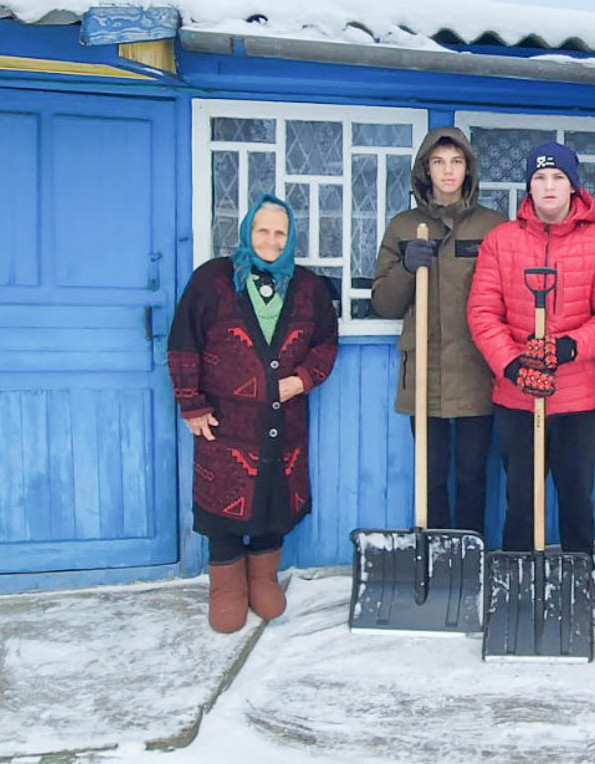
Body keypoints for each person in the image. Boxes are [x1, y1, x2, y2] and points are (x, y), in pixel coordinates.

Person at [467, 142, 595, 626]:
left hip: (577, 396)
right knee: (522, 494)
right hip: (517, 396)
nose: (549, 187)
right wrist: (512, 365)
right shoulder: (502, 241)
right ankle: (519, 579)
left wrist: (569, 348)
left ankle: (581, 579)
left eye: (558, 178)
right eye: (540, 179)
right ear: (528, 187)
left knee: (577, 495)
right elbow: (482, 312)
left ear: (573, 185)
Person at [168, 195, 338, 633]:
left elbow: (325, 344)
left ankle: (263, 577)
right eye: (262, 230)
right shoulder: (212, 280)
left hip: (284, 421)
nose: (270, 240)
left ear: (291, 238)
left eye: (280, 232)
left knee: (275, 497)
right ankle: (226, 587)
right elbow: (184, 341)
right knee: (223, 499)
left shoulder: (309, 287)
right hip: (224, 422)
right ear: (246, 233)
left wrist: (303, 379)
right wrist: (192, 402)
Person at [372, 128, 506, 535]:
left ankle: (469, 552)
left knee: (471, 474)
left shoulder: (494, 226)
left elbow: (508, 295)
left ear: (468, 169)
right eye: (438, 162)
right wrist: (407, 268)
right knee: (431, 475)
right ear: (425, 170)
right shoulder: (404, 226)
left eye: (456, 161)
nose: (448, 171)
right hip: (425, 371)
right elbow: (384, 303)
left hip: (476, 369)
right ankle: (434, 551)